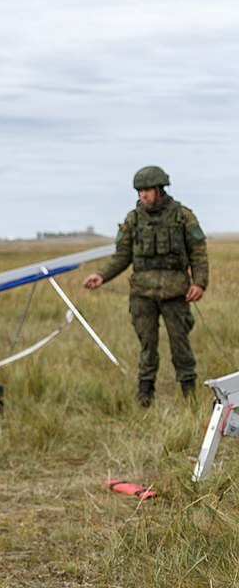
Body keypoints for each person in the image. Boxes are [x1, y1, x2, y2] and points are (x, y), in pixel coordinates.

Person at [83, 166, 209, 407]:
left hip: (175, 293)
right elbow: (121, 256)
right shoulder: (133, 220)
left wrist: (200, 283)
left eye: (147, 190)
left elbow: (199, 253)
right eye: (140, 191)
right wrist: (101, 276)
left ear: (160, 189)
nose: (143, 195)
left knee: (180, 344)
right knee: (147, 346)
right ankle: (145, 396)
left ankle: (189, 395)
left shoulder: (183, 216)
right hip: (142, 294)